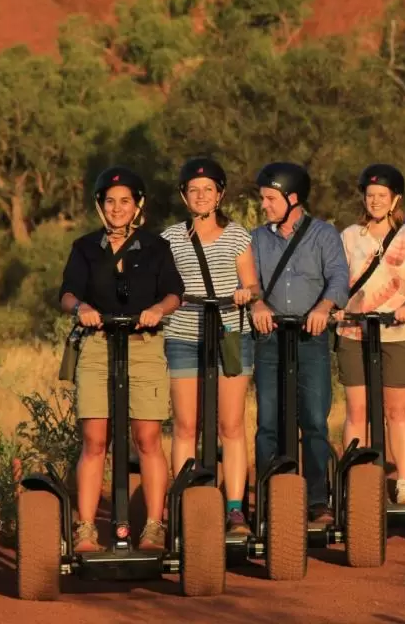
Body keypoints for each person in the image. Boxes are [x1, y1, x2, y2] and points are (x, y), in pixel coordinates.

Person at [58, 166, 183, 553]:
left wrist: (158, 311)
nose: (117, 208)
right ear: (100, 206)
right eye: (110, 201)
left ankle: (153, 526)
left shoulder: (156, 248)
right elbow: (66, 294)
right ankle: (85, 529)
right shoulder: (84, 247)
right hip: (97, 344)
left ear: (137, 205)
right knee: (95, 440)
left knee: (147, 438)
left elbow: (174, 293)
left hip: (143, 346)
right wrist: (81, 308)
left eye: (124, 201)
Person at [160, 156, 258, 536]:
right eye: (193, 190)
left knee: (230, 425)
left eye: (208, 190)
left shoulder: (237, 235)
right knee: (185, 424)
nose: (201, 196)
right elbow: (165, 286)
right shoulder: (170, 237)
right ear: (184, 196)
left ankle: (234, 508)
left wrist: (243, 293)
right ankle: (184, 501)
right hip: (184, 334)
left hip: (231, 335)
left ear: (220, 195)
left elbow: (253, 285)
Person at [249, 162, 349, 524]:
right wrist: (257, 303)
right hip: (270, 337)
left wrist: (324, 307)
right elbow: (250, 281)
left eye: (270, 198)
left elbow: (339, 276)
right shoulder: (258, 238)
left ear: (292, 198)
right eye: (263, 198)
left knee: (314, 420)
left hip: (311, 338)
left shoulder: (323, 235)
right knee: (268, 422)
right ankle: (268, 498)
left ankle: (318, 500)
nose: (265, 205)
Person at [334, 164, 405, 507]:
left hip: (400, 330)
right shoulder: (349, 236)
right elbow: (336, 279)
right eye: (370, 195)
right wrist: (334, 306)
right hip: (354, 329)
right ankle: (355, 481)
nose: (375, 201)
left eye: (382, 196)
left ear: (395, 200)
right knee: (356, 410)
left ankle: (403, 481)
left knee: (397, 410)